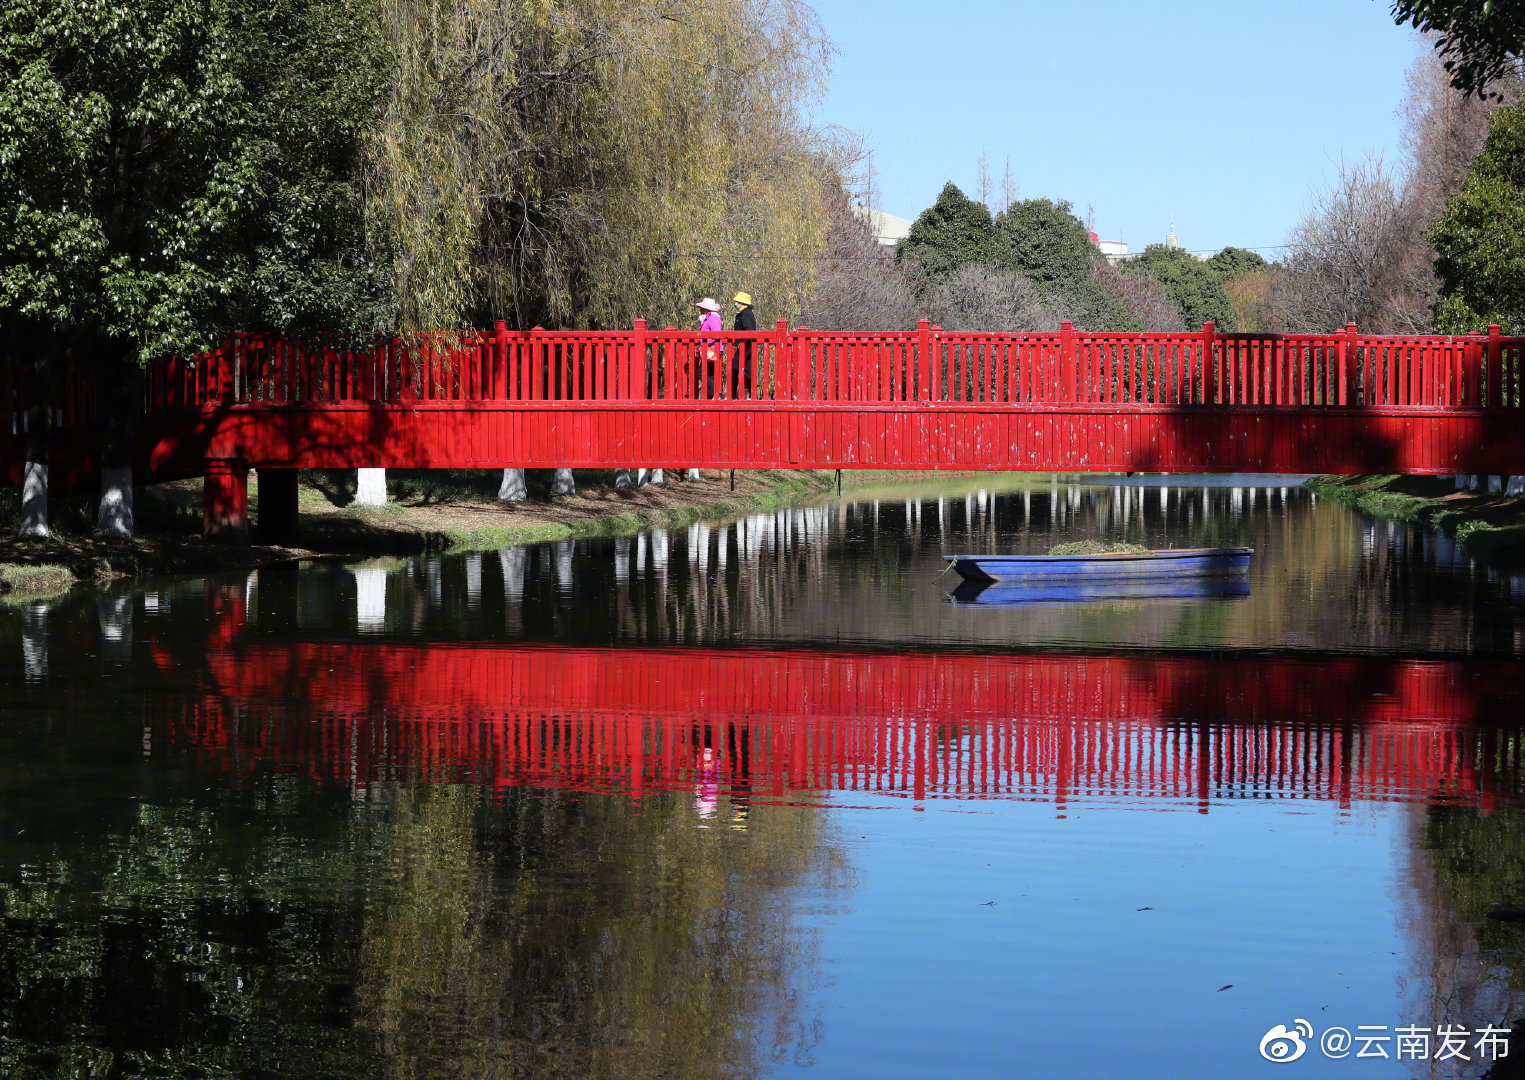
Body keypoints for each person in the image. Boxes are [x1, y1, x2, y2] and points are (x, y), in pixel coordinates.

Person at [695, 297, 723, 399]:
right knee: (709, 373)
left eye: (701, 308)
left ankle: (717, 394)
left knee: (702, 373)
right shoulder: (708, 318)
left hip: (712, 349)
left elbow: (716, 333)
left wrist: (705, 342)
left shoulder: (713, 318)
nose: (700, 310)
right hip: (709, 349)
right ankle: (715, 395)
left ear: (706, 309)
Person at [732, 291, 756, 400]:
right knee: (747, 369)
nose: (735, 303)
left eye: (737, 301)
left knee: (735, 368)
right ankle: (751, 395)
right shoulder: (743, 313)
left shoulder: (746, 313)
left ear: (742, 302)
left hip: (746, 345)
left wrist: (742, 344)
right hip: (745, 345)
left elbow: (749, 330)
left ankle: (733, 395)